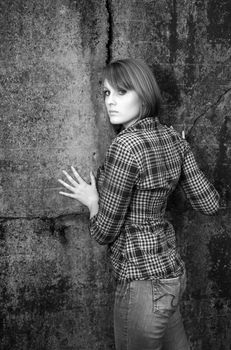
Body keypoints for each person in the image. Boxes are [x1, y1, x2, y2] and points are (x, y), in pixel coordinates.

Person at [58, 58, 220, 350]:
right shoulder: (174, 140)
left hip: (142, 282)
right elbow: (209, 204)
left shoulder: (125, 146)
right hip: (172, 276)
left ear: (144, 94)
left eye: (121, 92)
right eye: (107, 93)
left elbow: (103, 233)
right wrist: (182, 151)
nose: (111, 102)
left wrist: (92, 200)